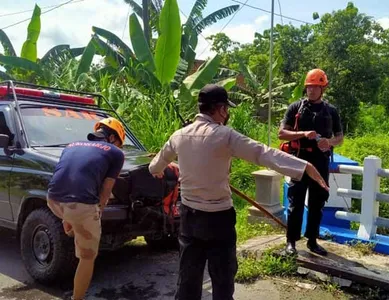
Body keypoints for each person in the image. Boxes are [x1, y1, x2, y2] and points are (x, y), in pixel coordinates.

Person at [148, 84, 329, 300]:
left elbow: (155, 167)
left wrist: (162, 169)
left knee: (189, 277)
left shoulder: (179, 135)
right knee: (223, 280)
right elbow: (262, 153)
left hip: (190, 218)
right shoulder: (225, 136)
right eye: (226, 109)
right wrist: (304, 166)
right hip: (219, 219)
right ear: (221, 109)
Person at [46, 117, 126, 300]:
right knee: (88, 256)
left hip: (53, 199)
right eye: (119, 143)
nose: (119, 147)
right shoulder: (115, 153)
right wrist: (98, 212)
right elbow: (106, 191)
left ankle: (69, 222)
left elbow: (67, 175)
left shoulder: (71, 145)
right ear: (113, 138)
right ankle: (77, 298)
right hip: (80, 206)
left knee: (73, 215)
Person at [278, 68, 344, 256]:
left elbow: (340, 137)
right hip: (299, 159)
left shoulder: (331, 111)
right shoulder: (295, 108)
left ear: (323, 88)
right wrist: (303, 134)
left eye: (315, 87)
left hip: (320, 161)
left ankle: (313, 241)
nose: (311, 91)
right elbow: (282, 133)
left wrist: (329, 142)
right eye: (309, 87)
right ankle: (291, 241)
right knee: (295, 202)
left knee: (317, 202)